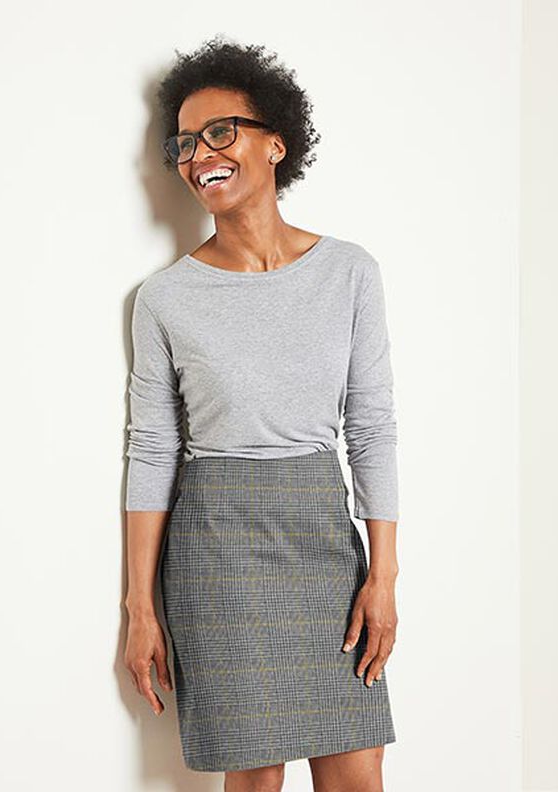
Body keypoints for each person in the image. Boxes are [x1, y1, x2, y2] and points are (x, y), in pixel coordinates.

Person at [123, 36, 400, 792]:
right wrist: (140, 607)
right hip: (217, 552)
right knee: (255, 781)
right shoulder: (164, 299)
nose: (199, 155)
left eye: (221, 132)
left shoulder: (349, 272)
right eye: (185, 143)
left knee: (358, 774)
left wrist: (384, 576)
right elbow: (152, 450)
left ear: (276, 142)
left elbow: (372, 427)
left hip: (325, 543)